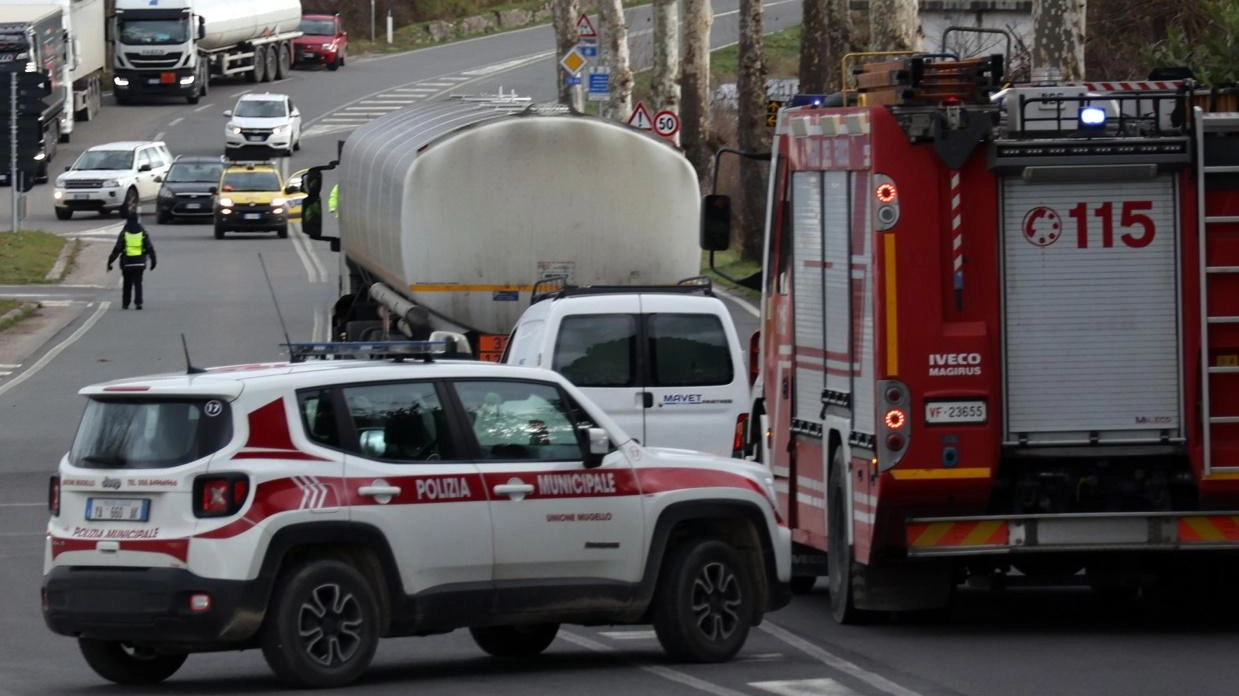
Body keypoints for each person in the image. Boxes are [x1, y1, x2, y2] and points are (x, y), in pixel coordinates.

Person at [106, 212, 156, 310]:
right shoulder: (142, 231)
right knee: (138, 283)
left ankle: (126, 303)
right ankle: (138, 303)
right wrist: (153, 260)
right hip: (140, 262)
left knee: (127, 283)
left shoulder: (124, 232)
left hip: (127, 263)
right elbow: (149, 246)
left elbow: (117, 248)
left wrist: (110, 261)